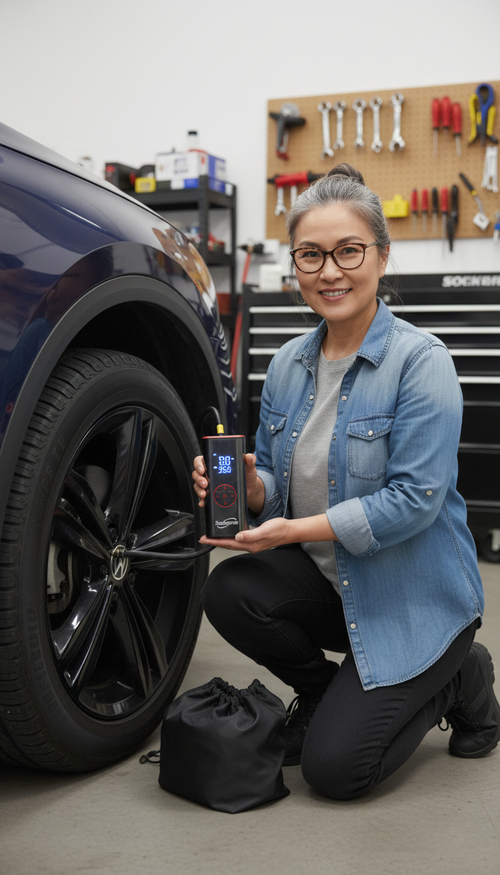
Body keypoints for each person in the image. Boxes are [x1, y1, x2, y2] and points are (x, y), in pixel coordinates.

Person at [192, 164, 500, 800]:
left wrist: (293, 529)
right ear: (296, 267)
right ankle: (322, 690)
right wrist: (251, 491)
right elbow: (277, 483)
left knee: (336, 773)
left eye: (348, 251)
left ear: (381, 257)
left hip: (415, 602)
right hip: (334, 585)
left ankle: (461, 672)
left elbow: (413, 502)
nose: (329, 271)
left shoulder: (423, 363)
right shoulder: (286, 364)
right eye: (311, 255)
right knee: (229, 592)